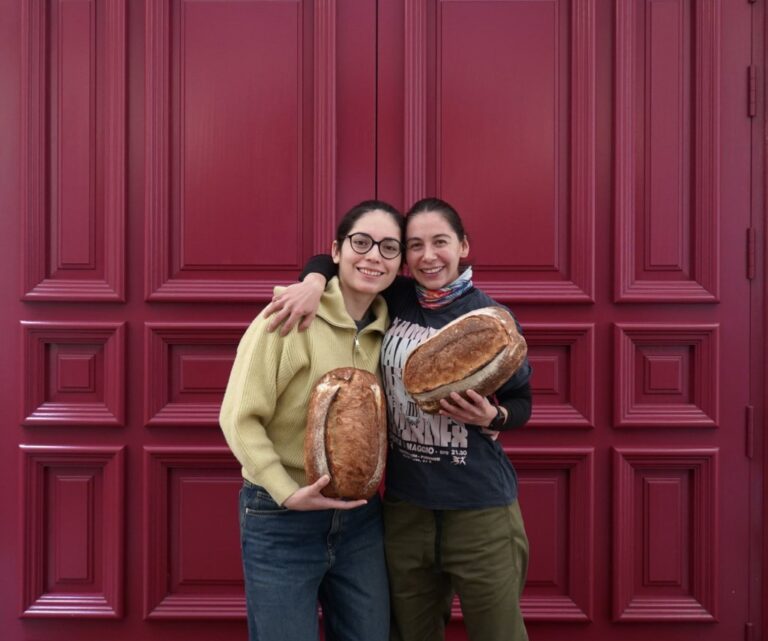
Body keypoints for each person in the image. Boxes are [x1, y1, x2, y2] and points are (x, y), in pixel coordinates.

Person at [263, 197, 532, 641]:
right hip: (407, 508)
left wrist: (496, 415)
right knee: (410, 634)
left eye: (440, 242)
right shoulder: (396, 297)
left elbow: (523, 401)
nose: (428, 256)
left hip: (480, 507)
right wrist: (312, 282)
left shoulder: (491, 319)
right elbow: (338, 259)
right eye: (415, 245)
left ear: (463, 246)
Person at [219, 200, 405, 641]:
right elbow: (238, 417)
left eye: (389, 248)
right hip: (280, 516)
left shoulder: (394, 328)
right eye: (362, 242)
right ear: (337, 250)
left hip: (361, 520)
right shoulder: (290, 317)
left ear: (400, 263)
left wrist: (499, 413)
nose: (374, 256)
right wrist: (286, 492)